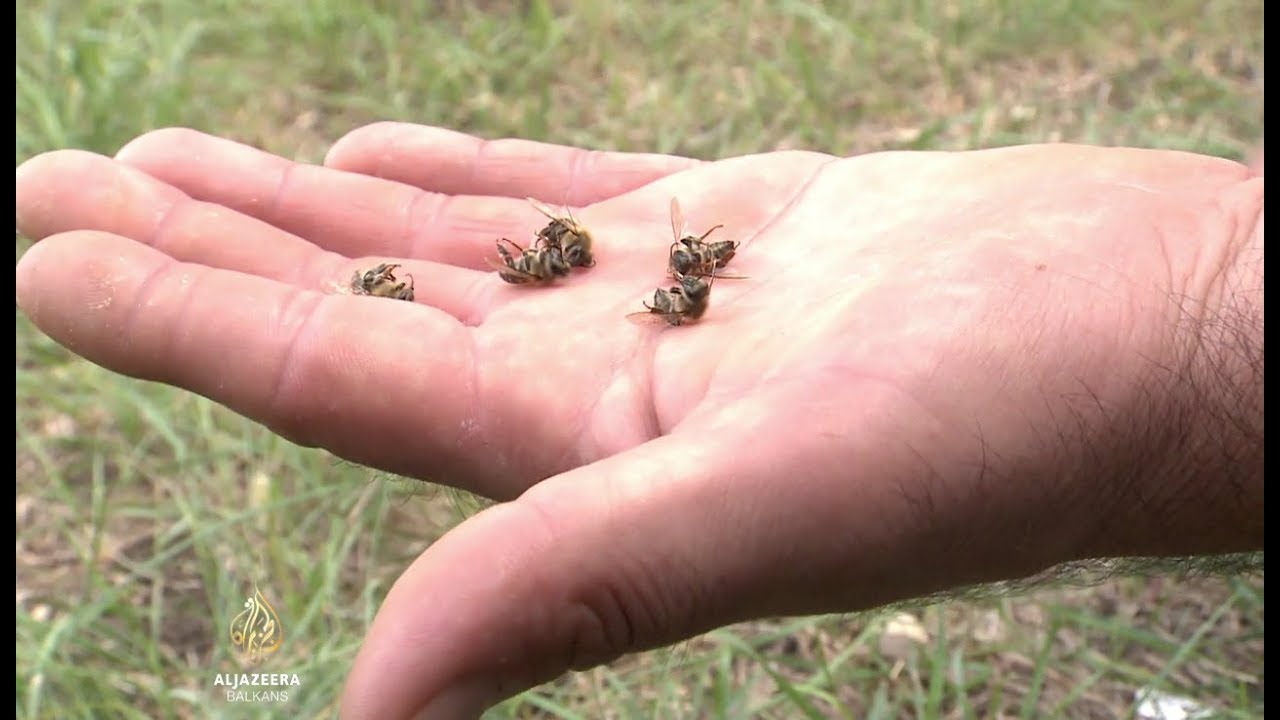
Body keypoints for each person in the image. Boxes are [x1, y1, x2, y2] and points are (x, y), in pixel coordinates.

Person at [14, 124, 1263, 720]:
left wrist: (1198, 294)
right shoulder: (630, 274)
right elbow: (600, 269)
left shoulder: (686, 282)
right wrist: (1197, 286)